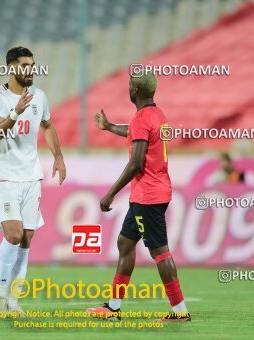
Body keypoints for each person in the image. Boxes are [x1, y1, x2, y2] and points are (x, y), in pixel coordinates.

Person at [87, 70, 190, 322]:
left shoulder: (142, 118)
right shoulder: (156, 114)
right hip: (151, 191)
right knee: (125, 243)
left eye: (130, 84)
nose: (128, 87)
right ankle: (113, 307)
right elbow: (137, 133)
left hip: (149, 196)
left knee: (160, 252)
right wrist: (110, 127)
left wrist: (110, 194)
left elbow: (136, 162)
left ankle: (180, 311)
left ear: (135, 91)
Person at [0, 46, 66, 315]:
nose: (30, 70)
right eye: (24, 65)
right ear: (11, 68)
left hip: (31, 176)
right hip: (4, 177)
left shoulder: (39, 97)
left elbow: (48, 125)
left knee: (27, 239)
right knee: (14, 234)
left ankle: (13, 301)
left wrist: (58, 157)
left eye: (32, 65)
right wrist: (16, 113)